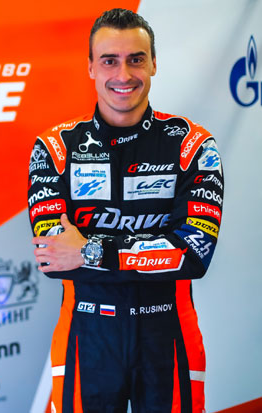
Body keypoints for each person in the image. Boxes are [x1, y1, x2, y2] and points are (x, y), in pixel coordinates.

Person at [27, 8, 223, 413]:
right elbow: (55, 259)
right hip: (86, 334)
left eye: (136, 59)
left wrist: (91, 250)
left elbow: (193, 255)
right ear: (90, 68)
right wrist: (156, 247)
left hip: (168, 331)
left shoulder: (192, 145)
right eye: (109, 60)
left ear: (153, 63)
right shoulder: (55, 148)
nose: (123, 74)